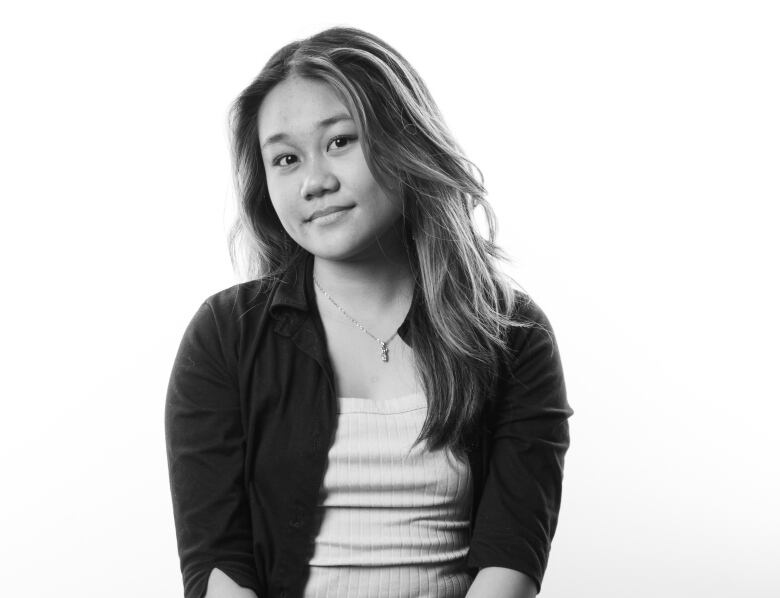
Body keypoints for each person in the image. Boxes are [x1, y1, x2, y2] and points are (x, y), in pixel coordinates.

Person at [165, 26, 572, 598]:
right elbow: (217, 565)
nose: (315, 182)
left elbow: (511, 561)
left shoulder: (510, 334)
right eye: (285, 158)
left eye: (340, 141)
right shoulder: (225, 337)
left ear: (405, 142)